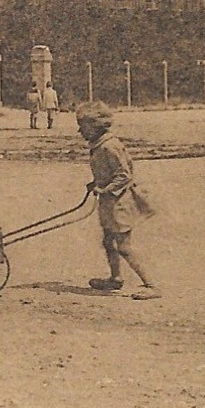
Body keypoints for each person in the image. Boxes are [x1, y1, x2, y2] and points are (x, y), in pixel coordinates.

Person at [76, 101, 161, 299]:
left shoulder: (110, 146)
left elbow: (124, 174)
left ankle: (151, 285)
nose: (80, 130)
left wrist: (105, 188)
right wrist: (95, 183)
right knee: (108, 241)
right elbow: (109, 172)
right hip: (109, 201)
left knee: (124, 246)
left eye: (83, 126)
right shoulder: (99, 145)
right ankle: (115, 278)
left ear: (96, 126)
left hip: (120, 202)